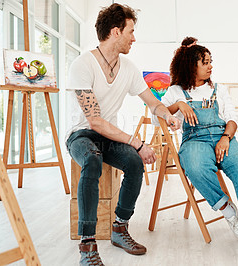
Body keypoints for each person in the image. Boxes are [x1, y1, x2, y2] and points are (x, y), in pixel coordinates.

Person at [65, 4, 180, 266]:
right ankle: (87, 244)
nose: (134, 37)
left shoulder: (128, 68)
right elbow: (94, 122)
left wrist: (166, 114)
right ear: (116, 32)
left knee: (134, 162)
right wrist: (137, 142)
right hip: (81, 135)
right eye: (131, 31)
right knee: (92, 161)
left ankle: (120, 227)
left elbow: (153, 102)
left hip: (108, 137)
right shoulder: (82, 65)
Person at [158, 37, 238, 266]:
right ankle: (230, 212)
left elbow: (232, 117)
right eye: (205, 62)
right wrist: (178, 105)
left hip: (223, 137)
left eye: (210, 61)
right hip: (194, 140)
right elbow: (157, 116)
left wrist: (226, 138)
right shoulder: (175, 91)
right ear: (191, 65)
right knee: (196, 167)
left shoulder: (219, 89)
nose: (210, 66)